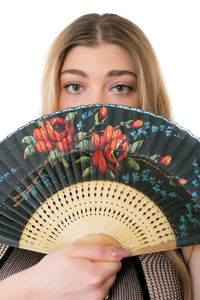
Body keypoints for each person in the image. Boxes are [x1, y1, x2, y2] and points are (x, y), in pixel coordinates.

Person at [0, 13, 199, 300]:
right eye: (75, 86)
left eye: (120, 87)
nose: (96, 107)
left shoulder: (186, 218)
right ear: (55, 93)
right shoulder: (8, 208)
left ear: (143, 98)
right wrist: (31, 287)